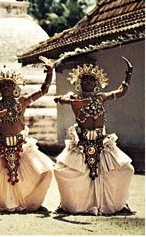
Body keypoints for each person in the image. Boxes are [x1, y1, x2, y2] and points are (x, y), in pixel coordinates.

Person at [53, 57, 134, 215]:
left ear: (96, 84)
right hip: (82, 142)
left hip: (102, 142)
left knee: (125, 170)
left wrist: (128, 74)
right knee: (64, 171)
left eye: (91, 79)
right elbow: (60, 99)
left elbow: (121, 91)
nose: (88, 81)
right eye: (85, 79)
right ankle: (72, 204)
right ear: (80, 82)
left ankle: (116, 204)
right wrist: (66, 99)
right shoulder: (75, 97)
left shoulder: (101, 97)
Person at [0, 56, 54, 212]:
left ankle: (31, 202)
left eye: (9, 84)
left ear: (15, 87)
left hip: (21, 146)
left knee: (43, 172)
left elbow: (44, 91)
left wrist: (50, 73)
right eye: (2, 85)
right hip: (1, 146)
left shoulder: (22, 102)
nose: (6, 87)